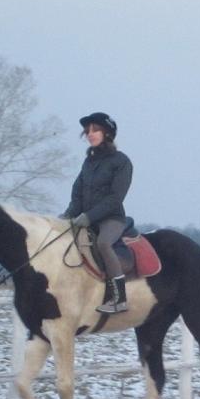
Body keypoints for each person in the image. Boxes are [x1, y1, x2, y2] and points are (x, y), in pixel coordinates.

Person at [61, 112, 133, 314]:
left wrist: (89, 217)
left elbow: (114, 199)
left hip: (111, 219)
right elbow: (78, 194)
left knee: (103, 243)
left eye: (95, 130)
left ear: (107, 133)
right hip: (85, 219)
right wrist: (67, 216)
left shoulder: (121, 162)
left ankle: (119, 298)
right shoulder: (88, 163)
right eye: (88, 131)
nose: (90, 134)